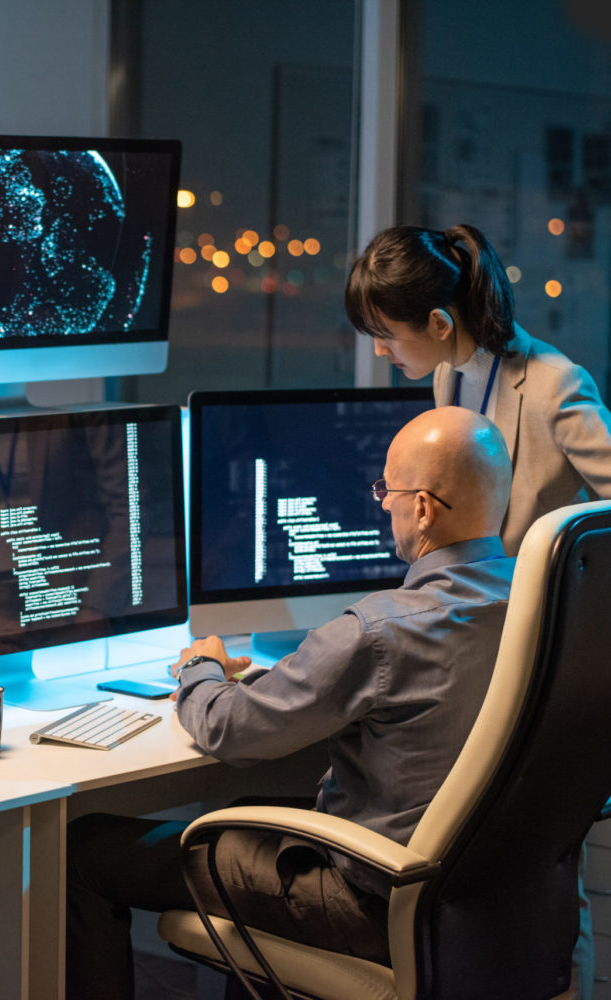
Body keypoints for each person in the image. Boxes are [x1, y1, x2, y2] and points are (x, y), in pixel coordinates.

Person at [66, 406, 517, 1000]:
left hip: (373, 901)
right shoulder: (544, 604)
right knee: (247, 810)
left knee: (83, 848)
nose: (382, 504)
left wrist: (199, 666)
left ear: (425, 508)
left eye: (388, 490)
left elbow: (231, 729)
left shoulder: (382, 631)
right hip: (489, 902)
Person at [345, 223, 611, 556]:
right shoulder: (447, 372)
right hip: (474, 588)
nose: (379, 351)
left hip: (536, 594)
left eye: (385, 335)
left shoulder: (555, 384)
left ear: (440, 324)